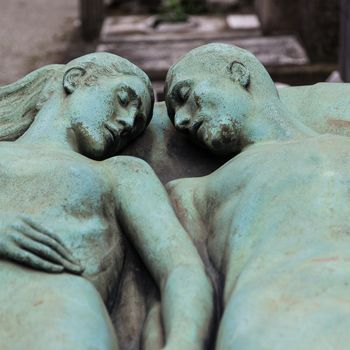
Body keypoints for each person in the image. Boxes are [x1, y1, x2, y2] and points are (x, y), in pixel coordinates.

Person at [0, 52, 213, 350]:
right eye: (123, 98)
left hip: (57, 319)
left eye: (137, 124)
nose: (127, 122)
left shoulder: (120, 173)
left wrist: (182, 342)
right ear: (76, 80)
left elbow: (181, 268)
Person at [164, 43, 350, 349]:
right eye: (174, 115)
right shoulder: (194, 192)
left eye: (184, 95)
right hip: (274, 323)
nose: (182, 121)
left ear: (238, 74)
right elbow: (176, 285)